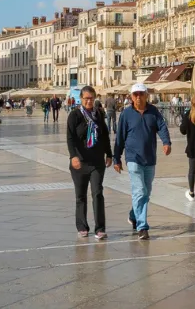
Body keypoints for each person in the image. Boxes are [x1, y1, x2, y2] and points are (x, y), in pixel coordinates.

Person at [113, 83, 171, 240]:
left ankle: (133, 215)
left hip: (150, 158)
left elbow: (162, 127)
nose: (138, 97)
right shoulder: (126, 114)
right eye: (135, 94)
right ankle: (142, 227)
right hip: (133, 158)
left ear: (146, 95)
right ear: (131, 97)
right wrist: (116, 158)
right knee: (140, 191)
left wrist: (166, 142)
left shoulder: (153, 112)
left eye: (141, 94)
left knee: (146, 192)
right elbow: (119, 137)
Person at [67, 85, 113, 240]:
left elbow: (105, 135)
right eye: (86, 98)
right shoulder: (74, 115)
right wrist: (73, 156)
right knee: (80, 196)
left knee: (97, 193)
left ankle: (100, 228)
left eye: (91, 98)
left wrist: (109, 154)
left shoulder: (99, 114)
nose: (89, 101)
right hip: (79, 162)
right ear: (81, 99)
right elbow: (70, 137)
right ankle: (82, 226)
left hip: (96, 162)